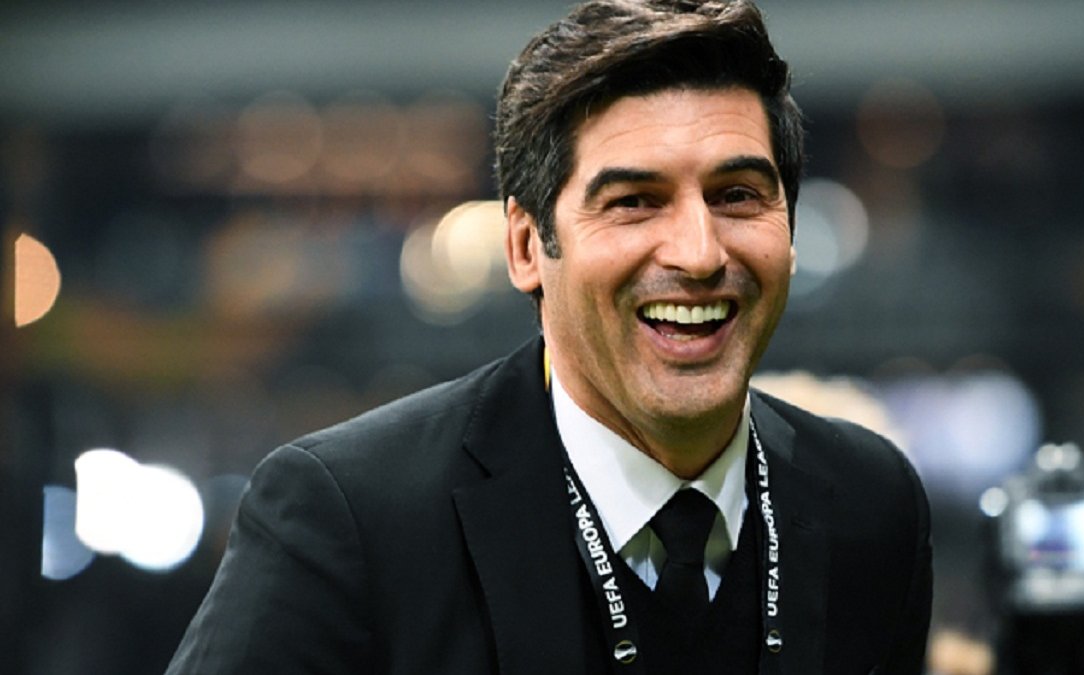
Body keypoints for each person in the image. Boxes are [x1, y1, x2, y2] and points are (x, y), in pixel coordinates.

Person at [166, 1, 932, 673]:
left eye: (736, 195)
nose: (700, 253)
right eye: (634, 201)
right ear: (527, 247)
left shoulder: (872, 503)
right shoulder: (353, 519)